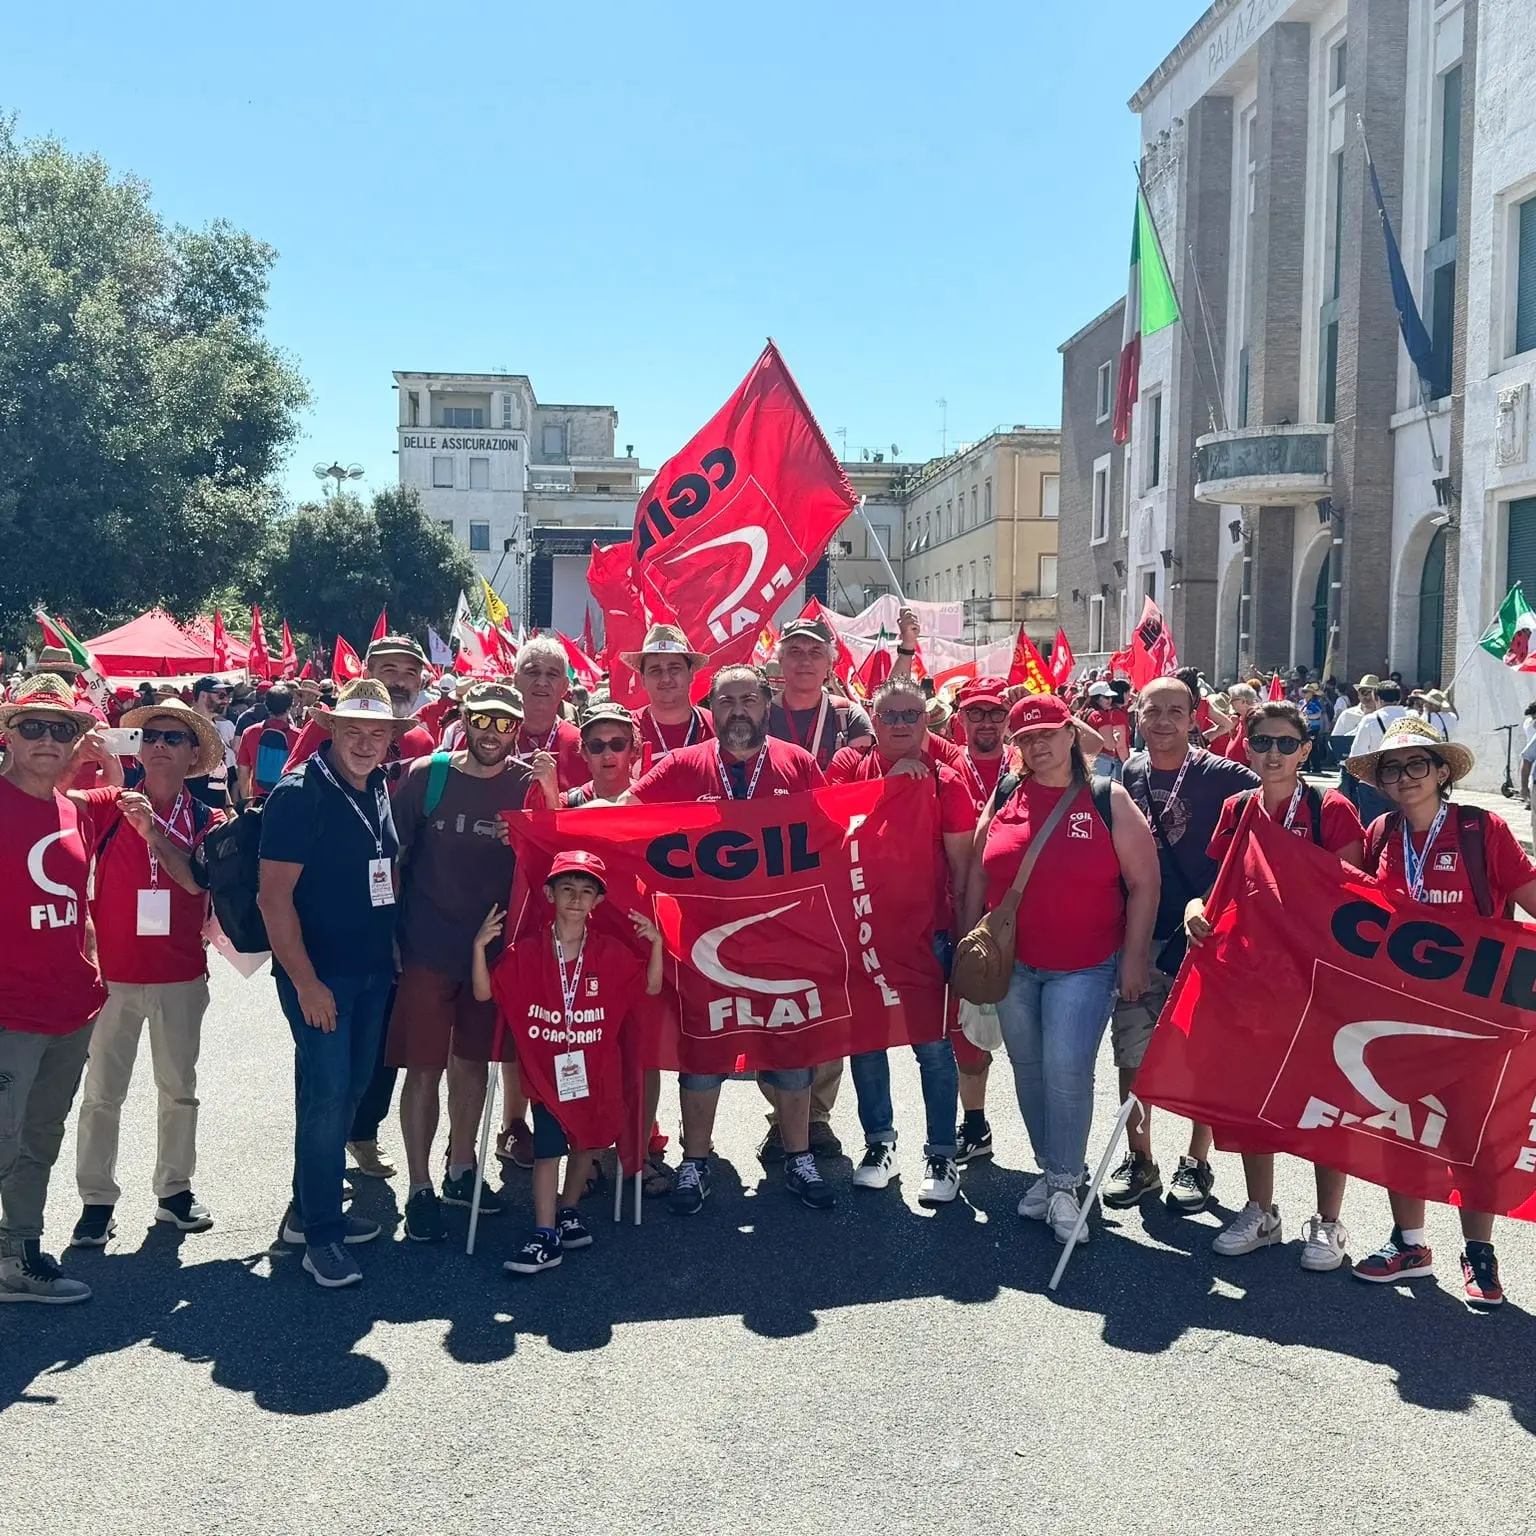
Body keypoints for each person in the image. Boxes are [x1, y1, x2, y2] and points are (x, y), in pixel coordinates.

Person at [628, 664, 835, 1213]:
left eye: (748, 699)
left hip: (783, 937)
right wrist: (556, 817)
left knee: (792, 1050)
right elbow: (623, 817)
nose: (738, 711)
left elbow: (836, 834)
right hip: (702, 939)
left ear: (767, 704)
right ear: (711, 709)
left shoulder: (798, 764)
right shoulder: (683, 765)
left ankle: (798, 1154)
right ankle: (695, 1161)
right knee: (703, 1050)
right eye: (726, 702)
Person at [1343, 717, 1536, 1305]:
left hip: (1478, 1016)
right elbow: (1342, 907)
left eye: (1417, 765)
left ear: (1442, 772)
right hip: (1399, 1012)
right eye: (1393, 768)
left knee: (1475, 1139)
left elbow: (1531, 899)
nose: (1404, 778)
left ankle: (1479, 1253)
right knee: (1400, 1130)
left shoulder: (1482, 830)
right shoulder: (1378, 833)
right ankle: (1410, 1242)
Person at [964, 693, 1159, 1243]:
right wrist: (969, 942)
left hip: (1086, 965)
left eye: (1047, 733)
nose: (1036, 745)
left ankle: (1066, 1184)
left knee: (1067, 1072)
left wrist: (1136, 957)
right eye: (1025, 738)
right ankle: (1052, 1173)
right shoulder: (1005, 793)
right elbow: (979, 874)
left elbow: (1145, 882)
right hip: (1014, 966)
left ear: (1071, 734)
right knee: (1029, 1071)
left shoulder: (1106, 798)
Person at [1184, 700, 1365, 1270]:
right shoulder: (1237, 808)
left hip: (1316, 980)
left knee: (1321, 1100)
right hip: (1251, 976)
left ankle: (1329, 1222)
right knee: (1250, 1096)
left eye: (1287, 744)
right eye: (1262, 742)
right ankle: (1260, 1209)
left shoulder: (1330, 808)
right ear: (1247, 745)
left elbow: (1357, 903)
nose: (1273, 754)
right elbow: (1217, 888)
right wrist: (1194, 911)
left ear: (1306, 750)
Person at [257, 679, 408, 1289]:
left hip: (372, 971)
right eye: (354, 731)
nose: (366, 743)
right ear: (331, 729)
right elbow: (273, 901)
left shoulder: (376, 787)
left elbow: (382, 872)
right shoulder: (300, 795)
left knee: (344, 1096)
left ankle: (306, 1211)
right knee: (327, 1101)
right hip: (320, 977)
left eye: (377, 732)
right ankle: (321, 1234)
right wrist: (306, 983)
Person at [67, 696, 228, 1248]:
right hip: (110, 975)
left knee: (178, 1091)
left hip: (180, 975)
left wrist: (151, 831)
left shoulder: (210, 819)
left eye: (173, 739)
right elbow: (49, 803)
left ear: (191, 756)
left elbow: (195, 883)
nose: (159, 745)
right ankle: (95, 1200)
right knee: (101, 1093)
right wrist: (73, 757)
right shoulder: (109, 801)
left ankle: (174, 1193)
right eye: (151, 737)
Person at [1103, 675, 1259, 1213]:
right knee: (1133, 1055)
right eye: (1154, 710)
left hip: (1207, 941)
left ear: (1195, 718)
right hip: (1143, 937)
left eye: (1177, 711)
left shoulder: (1228, 777)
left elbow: (1254, 858)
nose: (1165, 721)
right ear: (1137, 715)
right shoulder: (1130, 772)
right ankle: (1140, 1159)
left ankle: (1196, 1162)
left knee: (1204, 1058)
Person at [386, 682, 532, 1243]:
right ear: (465, 720)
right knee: (423, 1068)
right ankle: (419, 1186)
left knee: (472, 1065)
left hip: (491, 955)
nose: (492, 733)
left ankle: (461, 1168)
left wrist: (522, 836)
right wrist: (387, 935)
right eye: (483, 720)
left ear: (516, 729)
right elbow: (389, 852)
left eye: (504, 723)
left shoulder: (525, 783)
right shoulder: (429, 775)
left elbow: (554, 860)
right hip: (426, 946)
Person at [285, 636, 435, 1181]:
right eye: (386, 669)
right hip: (327, 922)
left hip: (396, 911)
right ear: (363, 672)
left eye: (407, 671)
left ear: (420, 681)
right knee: (326, 1062)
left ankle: (362, 1133)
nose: (397, 679)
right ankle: (314, 1188)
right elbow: (295, 804)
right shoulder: (321, 737)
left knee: (382, 1039)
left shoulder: (422, 737)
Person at [476, 852, 664, 1274]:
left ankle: (567, 1209)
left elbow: (650, 987)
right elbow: (485, 993)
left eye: (586, 892)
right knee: (547, 1151)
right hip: (546, 1074)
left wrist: (656, 944)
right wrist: (478, 949)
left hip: (594, 1072)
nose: (576, 900)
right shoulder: (528, 951)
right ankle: (544, 1235)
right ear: (549, 895)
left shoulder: (609, 952)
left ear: (597, 901)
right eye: (567, 890)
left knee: (587, 1144)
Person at [827, 677, 973, 1205]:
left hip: (928, 932)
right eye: (890, 716)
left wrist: (963, 934)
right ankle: (879, 1144)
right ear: (873, 716)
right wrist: (890, 792)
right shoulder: (850, 767)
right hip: (863, 929)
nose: (901, 725)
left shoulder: (947, 779)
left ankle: (941, 1153)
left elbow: (962, 866)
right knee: (867, 1044)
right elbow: (828, 826)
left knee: (932, 1048)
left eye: (912, 715)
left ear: (927, 719)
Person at [0, 677, 106, 1303]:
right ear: (7, 735)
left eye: (60, 728)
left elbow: (76, 903)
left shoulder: (74, 811)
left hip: (72, 1005)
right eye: (32, 726)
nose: (46, 738)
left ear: (77, 742)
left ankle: (19, 1256)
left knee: (41, 1136)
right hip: (9, 1010)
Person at [947, 677, 1013, 1162]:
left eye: (995, 713)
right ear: (960, 720)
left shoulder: (1031, 762)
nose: (986, 722)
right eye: (976, 713)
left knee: (1041, 1041)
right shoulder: (944, 769)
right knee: (966, 1032)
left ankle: (1057, 1152)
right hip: (964, 917)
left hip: (1025, 918)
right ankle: (974, 1123)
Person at [622, 624, 714, 769]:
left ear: (690, 674)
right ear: (643, 679)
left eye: (674, 669)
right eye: (655, 670)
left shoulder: (715, 726)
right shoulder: (625, 730)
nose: (666, 679)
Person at [512, 637, 587, 789]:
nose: (542, 682)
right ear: (516, 680)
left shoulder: (581, 745)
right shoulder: (492, 735)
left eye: (552, 675)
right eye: (533, 672)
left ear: (565, 685)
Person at [1347, 679, 1409, 827]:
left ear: (1377, 698)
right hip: (1404, 779)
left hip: (1373, 782)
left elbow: (1356, 755)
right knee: (1402, 828)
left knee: (1372, 829)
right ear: (1399, 698)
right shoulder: (1412, 717)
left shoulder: (1370, 720)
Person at [235, 687, 298, 801]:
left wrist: (247, 801)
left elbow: (243, 771)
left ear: (266, 705)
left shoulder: (250, 732)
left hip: (259, 800)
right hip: (289, 800)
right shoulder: (298, 736)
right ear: (290, 707)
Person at [185, 677, 236, 811]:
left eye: (227, 696)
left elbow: (219, 771)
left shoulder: (214, 726)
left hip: (215, 809)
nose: (226, 701)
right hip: (193, 808)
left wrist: (229, 806)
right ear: (203, 695)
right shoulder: (186, 726)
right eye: (221, 695)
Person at [1082, 681, 1131, 779]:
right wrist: (1116, 737)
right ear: (1096, 698)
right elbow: (1110, 745)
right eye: (1106, 697)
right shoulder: (1100, 715)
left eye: (1111, 697)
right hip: (1102, 762)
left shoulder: (1086, 712)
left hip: (1091, 760)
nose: (1110, 700)